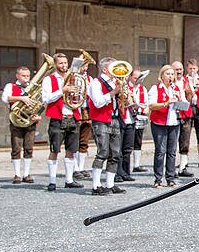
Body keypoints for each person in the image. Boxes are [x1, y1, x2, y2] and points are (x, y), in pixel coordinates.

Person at [40, 52, 82, 191]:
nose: (64, 66)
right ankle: (52, 181)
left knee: (71, 150)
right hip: (58, 118)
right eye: (61, 63)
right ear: (55, 65)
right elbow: (45, 99)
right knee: (54, 150)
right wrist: (62, 90)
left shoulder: (73, 78)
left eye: (65, 63)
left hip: (73, 116)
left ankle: (69, 180)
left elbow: (80, 96)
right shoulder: (49, 79)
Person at [87, 57, 125, 195]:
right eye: (113, 67)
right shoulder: (96, 83)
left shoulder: (115, 82)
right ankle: (96, 186)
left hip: (115, 119)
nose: (117, 70)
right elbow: (97, 102)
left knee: (115, 154)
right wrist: (114, 92)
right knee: (102, 152)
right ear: (104, 69)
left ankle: (110, 184)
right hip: (101, 120)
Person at [148, 63, 183, 188]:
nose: (170, 76)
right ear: (162, 76)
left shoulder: (177, 88)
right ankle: (158, 179)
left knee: (172, 152)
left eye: (172, 74)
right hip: (159, 123)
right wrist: (166, 103)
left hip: (174, 122)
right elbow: (151, 105)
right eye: (168, 74)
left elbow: (184, 107)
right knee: (160, 151)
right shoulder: (155, 88)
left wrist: (180, 100)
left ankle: (171, 178)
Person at [1, 65, 38, 184]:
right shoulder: (10, 86)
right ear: (17, 76)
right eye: (23, 76)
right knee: (16, 147)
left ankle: (26, 174)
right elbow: (5, 98)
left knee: (29, 148)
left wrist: (38, 115)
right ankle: (17, 174)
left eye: (28, 76)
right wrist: (22, 99)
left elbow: (39, 103)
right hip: (16, 120)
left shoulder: (32, 87)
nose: (26, 78)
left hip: (30, 121)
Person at [117, 68, 145, 183]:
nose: (137, 80)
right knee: (119, 149)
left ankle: (126, 172)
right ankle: (118, 173)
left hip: (131, 120)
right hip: (121, 119)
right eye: (134, 78)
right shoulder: (123, 88)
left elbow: (137, 106)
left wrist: (133, 100)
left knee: (128, 148)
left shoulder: (136, 90)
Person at [172, 60, 197, 177]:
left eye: (180, 69)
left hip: (185, 114)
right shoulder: (169, 82)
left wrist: (189, 92)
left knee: (185, 141)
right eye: (176, 70)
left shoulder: (187, 81)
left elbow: (193, 98)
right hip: (172, 114)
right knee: (171, 143)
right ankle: (170, 168)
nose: (179, 72)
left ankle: (183, 167)